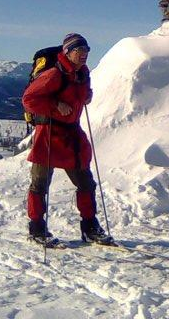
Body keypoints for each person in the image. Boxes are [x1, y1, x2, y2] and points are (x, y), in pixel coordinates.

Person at [22, 33, 112, 245]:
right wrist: (55, 106)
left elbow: (81, 92)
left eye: (87, 50)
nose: (84, 55)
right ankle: (36, 228)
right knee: (40, 184)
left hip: (71, 134)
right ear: (68, 52)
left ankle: (90, 226)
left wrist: (87, 95)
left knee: (86, 182)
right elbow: (29, 99)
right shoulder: (54, 74)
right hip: (49, 133)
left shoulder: (82, 73)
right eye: (79, 51)